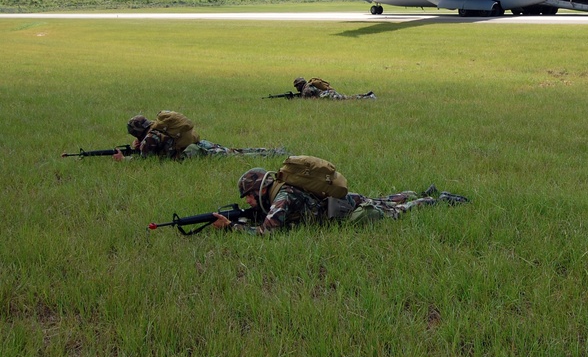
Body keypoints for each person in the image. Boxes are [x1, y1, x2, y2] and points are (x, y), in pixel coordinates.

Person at [210, 168, 469, 235]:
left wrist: (232, 227)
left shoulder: (282, 199)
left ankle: (434, 201)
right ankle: (423, 191)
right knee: (382, 200)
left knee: (393, 211)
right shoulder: (282, 189)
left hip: (345, 213)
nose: (249, 201)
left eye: (250, 196)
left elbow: (266, 233)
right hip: (343, 200)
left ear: (261, 189)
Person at [118, 114, 285, 160]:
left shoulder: (149, 139)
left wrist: (123, 159)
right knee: (235, 151)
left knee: (234, 157)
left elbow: (146, 159)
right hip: (199, 144)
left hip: (193, 153)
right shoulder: (158, 129)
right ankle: (272, 151)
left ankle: (274, 154)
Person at [293, 77, 376, 100]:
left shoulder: (306, 89)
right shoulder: (309, 85)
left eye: (297, 86)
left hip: (328, 95)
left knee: (348, 99)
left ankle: (369, 97)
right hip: (329, 93)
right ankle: (367, 95)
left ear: (300, 84)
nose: (296, 88)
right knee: (347, 98)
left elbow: (306, 99)